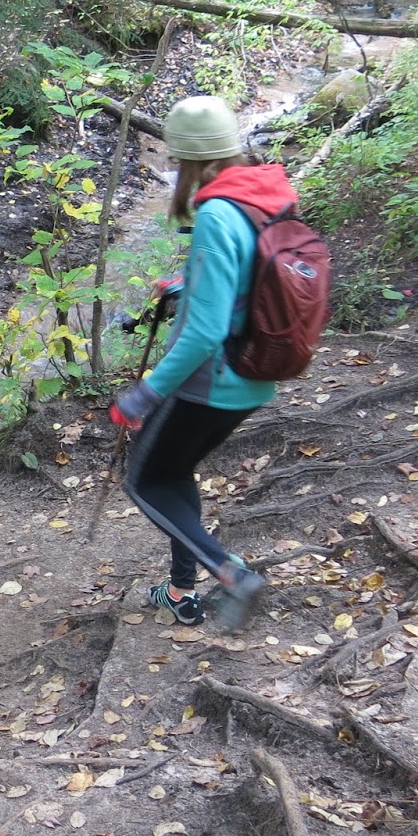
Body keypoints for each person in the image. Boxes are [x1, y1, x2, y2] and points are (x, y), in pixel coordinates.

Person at [112, 95, 293, 633]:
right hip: (253, 375)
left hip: (209, 380)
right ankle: (179, 590)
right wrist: (190, 284)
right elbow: (250, 277)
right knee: (174, 471)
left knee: (144, 481)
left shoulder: (216, 213)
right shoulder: (264, 196)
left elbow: (205, 331)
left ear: (188, 158)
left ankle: (232, 574)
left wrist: (144, 393)